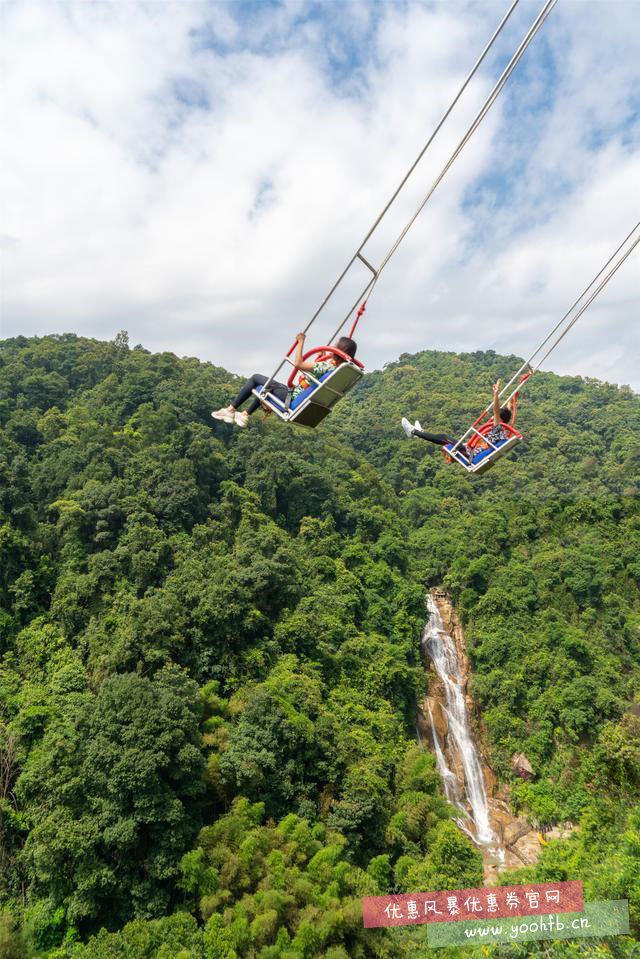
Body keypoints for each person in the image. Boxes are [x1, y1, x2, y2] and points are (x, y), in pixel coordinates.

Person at [211, 333, 358, 427]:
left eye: (335, 346)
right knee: (267, 388)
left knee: (256, 378)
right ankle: (244, 415)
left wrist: (301, 343)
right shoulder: (339, 372)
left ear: (338, 351)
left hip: (291, 399)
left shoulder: (325, 367)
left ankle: (230, 410)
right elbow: (317, 375)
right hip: (299, 398)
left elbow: (299, 364)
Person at [401, 380, 514, 463]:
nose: (493, 418)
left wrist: (496, 394)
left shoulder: (498, 428)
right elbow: (507, 411)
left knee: (443, 437)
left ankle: (413, 432)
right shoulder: (503, 431)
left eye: (496, 416)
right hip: (470, 451)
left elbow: (496, 411)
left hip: (469, 454)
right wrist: (512, 400)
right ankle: (420, 433)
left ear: (499, 418)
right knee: (445, 438)